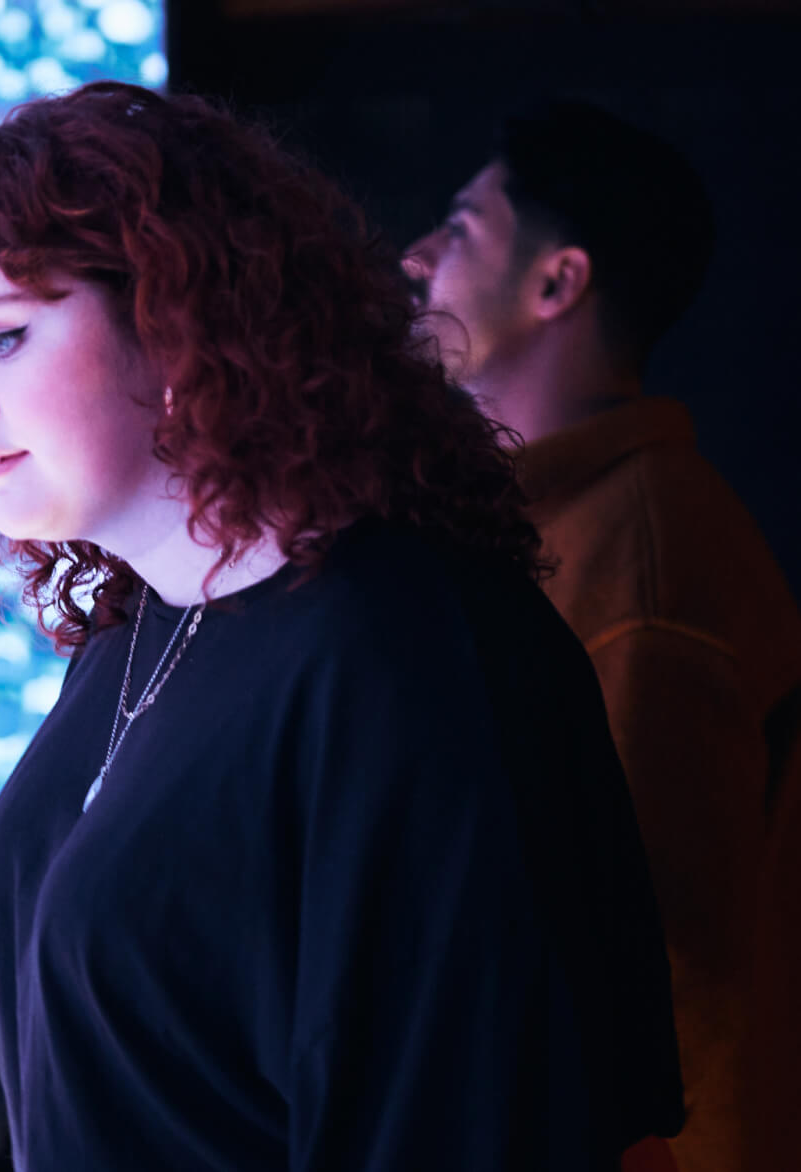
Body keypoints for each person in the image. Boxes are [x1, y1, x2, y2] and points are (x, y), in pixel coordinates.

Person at [0, 83, 685, 1171]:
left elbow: (461, 1109)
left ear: (176, 320)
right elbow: (69, 1012)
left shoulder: (413, 655)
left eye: (4, 336)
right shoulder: (140, 633)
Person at [403, 100, 801, 1172]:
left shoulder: (647, 560)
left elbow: (667, 971)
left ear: (555, 282)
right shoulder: (510, 529)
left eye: (459, 226)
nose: (413, 258)